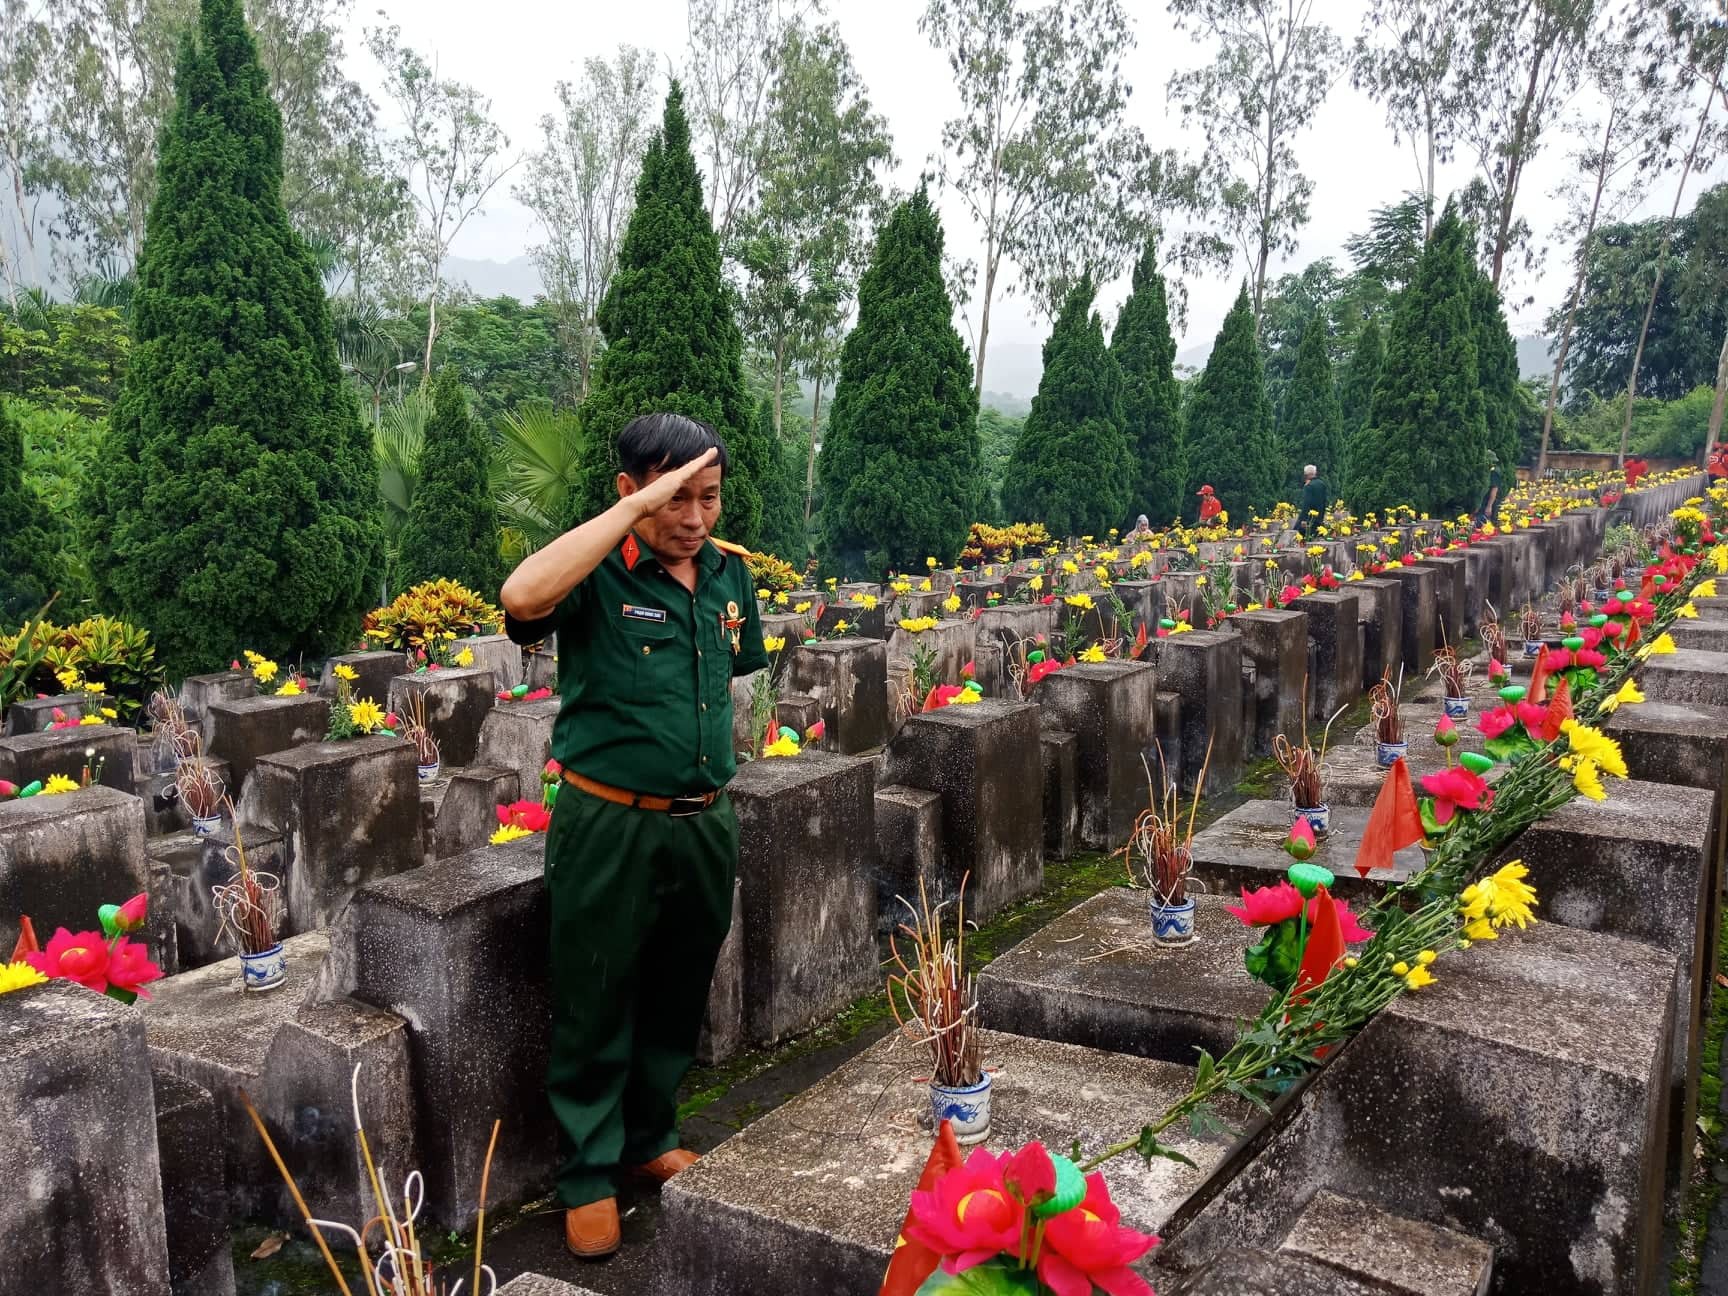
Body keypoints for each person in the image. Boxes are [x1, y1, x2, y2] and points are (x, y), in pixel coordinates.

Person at [499, 413, 768, 1260]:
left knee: (678, 989)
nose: (693, 518)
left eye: (708, 497)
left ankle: (650, 1134)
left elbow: (728, 677)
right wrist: (628, 516)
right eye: (672, 498)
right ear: (629, 492)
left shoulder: (729, 579)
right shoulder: (595, 575)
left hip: (702, 824)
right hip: (608, 822)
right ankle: (588, 1173)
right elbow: (519, 599)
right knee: (595, 993)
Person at [1298, 464, 1329, 534]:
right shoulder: (1322, 484)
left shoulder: (1308, 486)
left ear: (1306, 474)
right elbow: (1324, 502)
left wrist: (1303, 519)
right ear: (1315, 473)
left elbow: (1306, 504)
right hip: (1319, 518)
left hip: (1310, 519)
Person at [1476, 456, 1503, 528]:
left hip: (1487, 503)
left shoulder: (1493, 472)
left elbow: (1494, 489)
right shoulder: (1488, 471)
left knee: (1484, 525)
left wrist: (1489, 506)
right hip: (1484, 503)